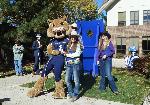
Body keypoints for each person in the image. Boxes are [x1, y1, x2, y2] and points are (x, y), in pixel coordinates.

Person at [65, 30, 83, 102]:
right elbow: (67, 56)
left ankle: (75, 94)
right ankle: (70, 92)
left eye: (74, 37)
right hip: (69, 64)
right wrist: (66, 60)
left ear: (76, 38)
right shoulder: (68, 45)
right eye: (72, 37)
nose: (73, 39)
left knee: (76, 80)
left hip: (75, 64)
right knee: (67, 80)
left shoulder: (78, 45)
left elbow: (77, 54)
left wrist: (67, 55)